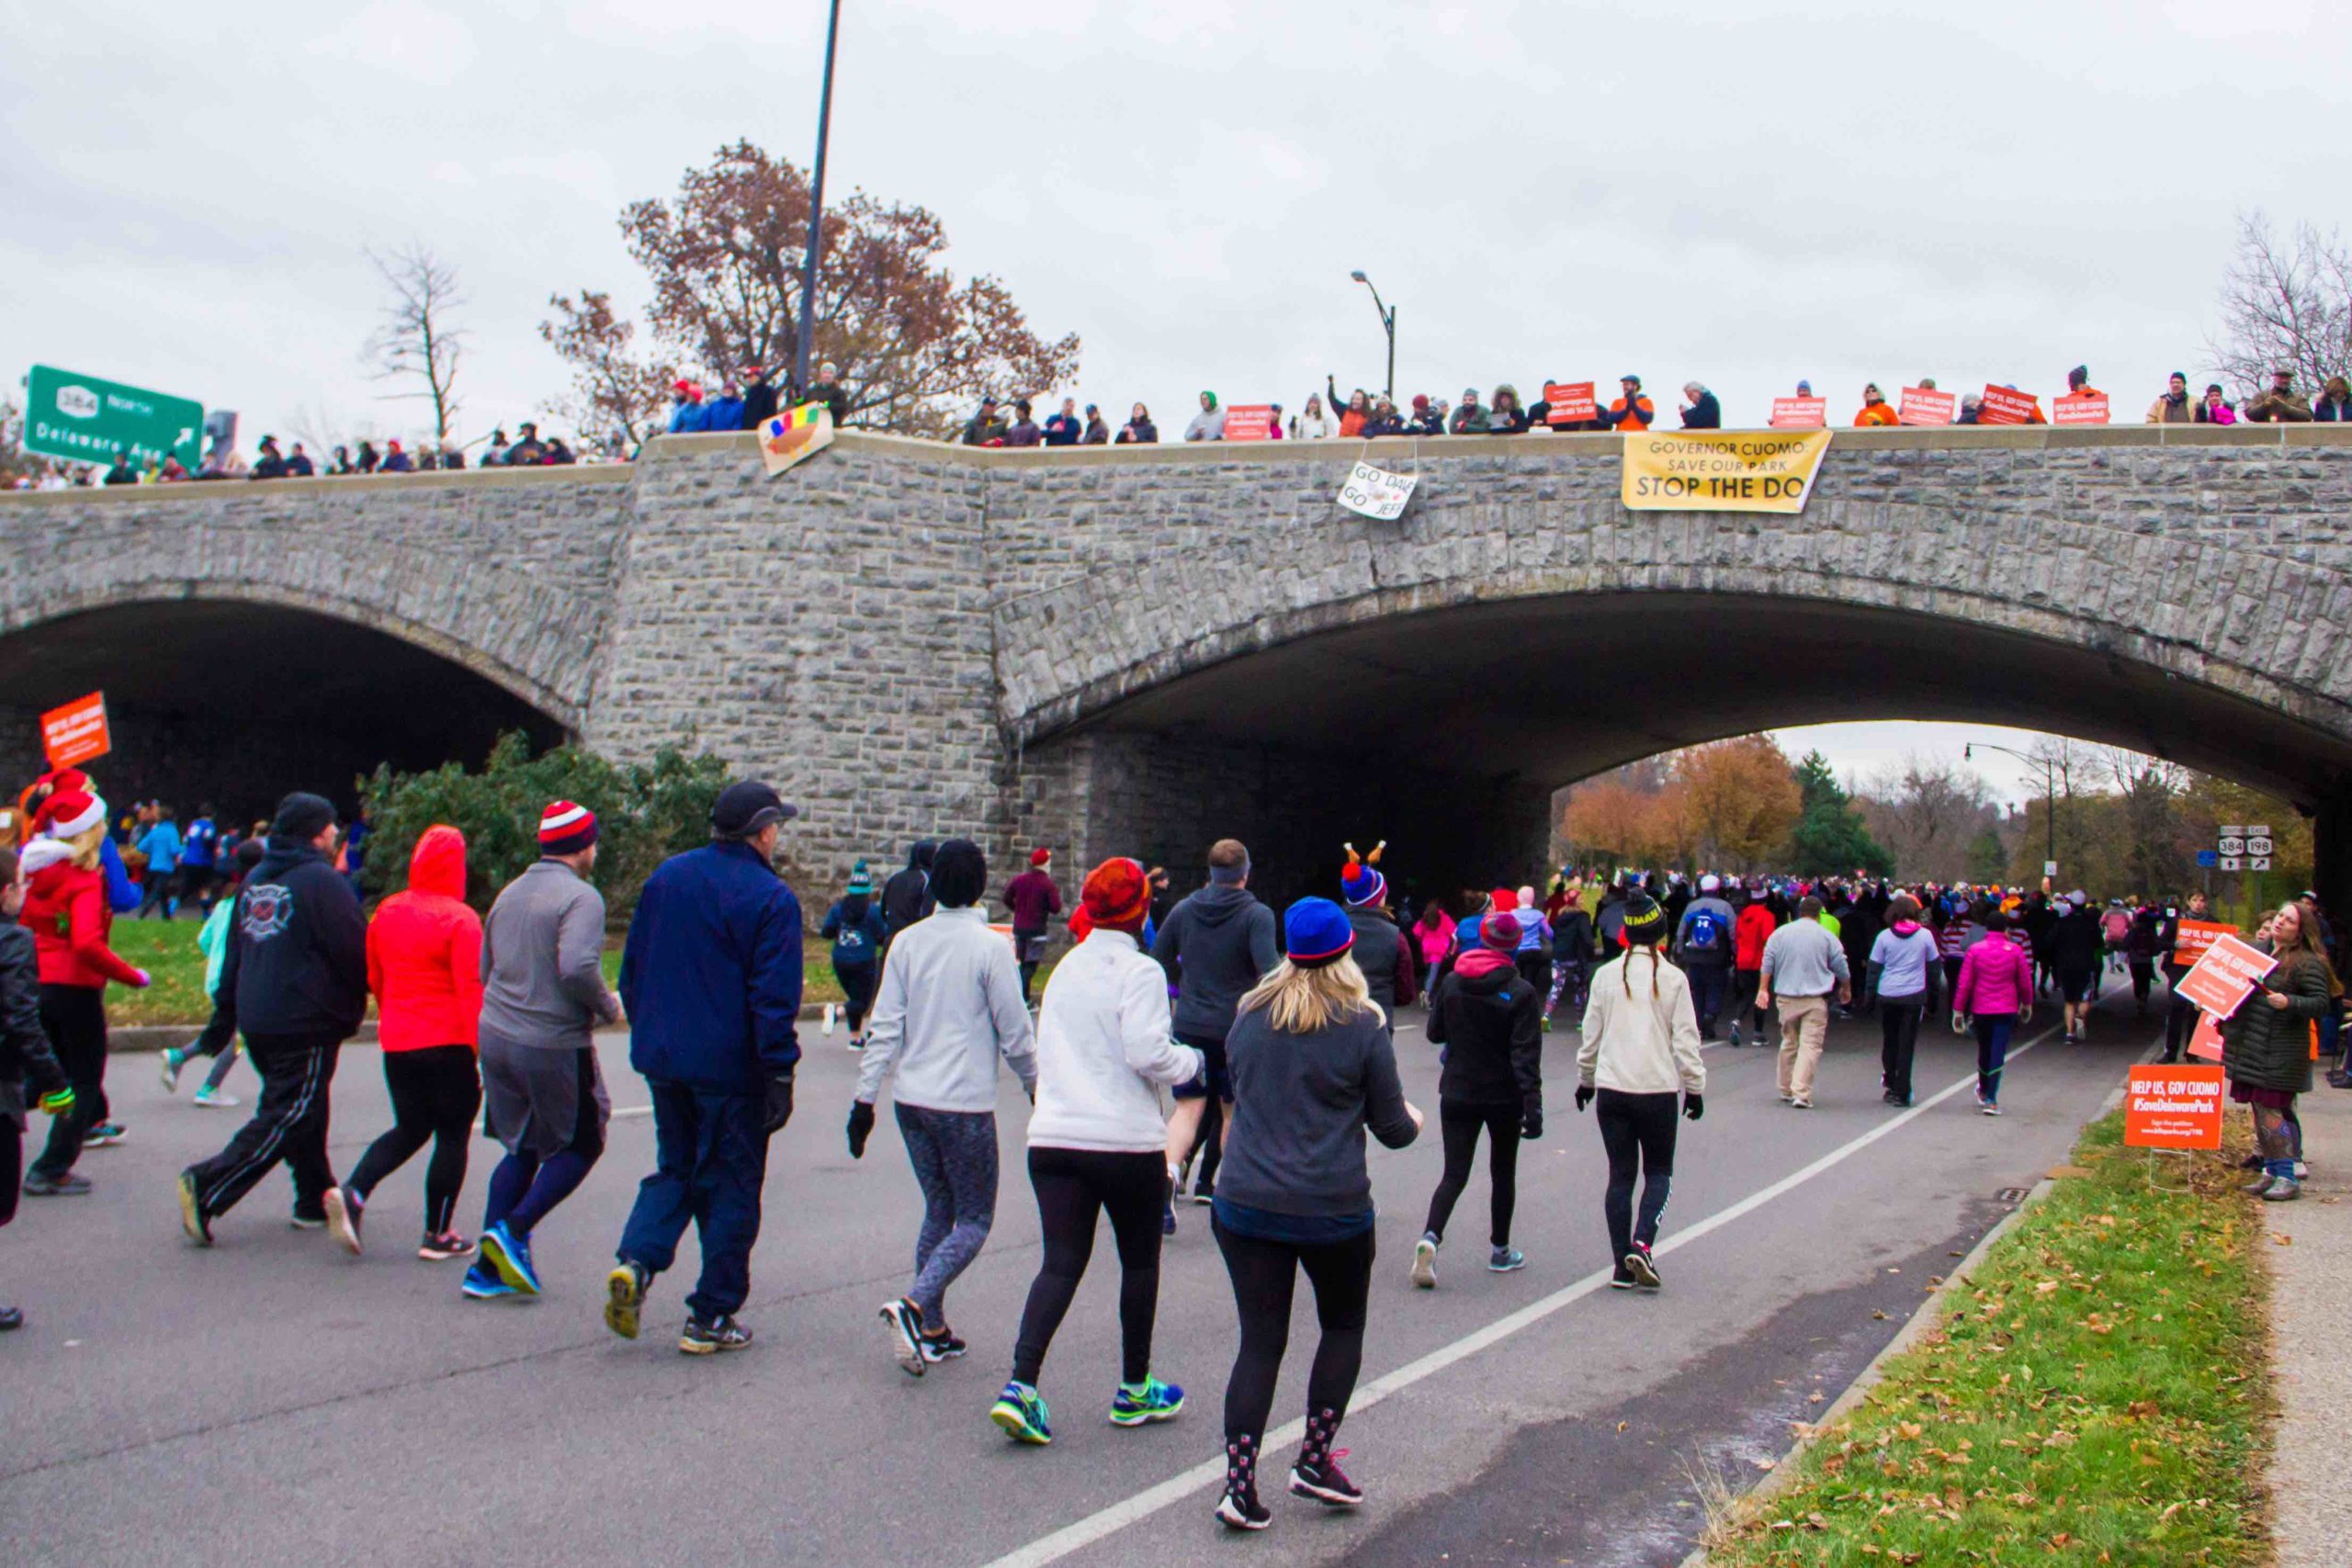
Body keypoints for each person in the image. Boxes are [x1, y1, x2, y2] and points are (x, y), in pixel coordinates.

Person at [1209, 897, 1421, 1530]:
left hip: (1245, 1199)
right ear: (1346, 950)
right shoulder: (1362, 1025)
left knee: (1260, 1341)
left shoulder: (1248, 1016)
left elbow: (1244, 1093)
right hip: (1331, 1205)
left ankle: (1239, 1485)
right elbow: (1392, 1128)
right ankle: (1314, 1456)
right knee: (1342, 1326)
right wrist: (1411, 1117)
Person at [989, 859, 1201, 1446]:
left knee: (1060, 1262)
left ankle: (1022, 1384)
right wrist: (1193, 1063)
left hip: (1055, 1136)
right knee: (1138, 1262)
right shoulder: (1140, 971)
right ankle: (1135, 1387)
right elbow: (1148, 1053)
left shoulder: (1066, 969)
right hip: (1122, 1141)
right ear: (1140, 909)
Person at [606, 782, 802, 1354]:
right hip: (730, 1067)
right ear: (762, 831)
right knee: (733, 1184)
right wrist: (780, 1073)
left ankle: (637, 1262)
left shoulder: (668, 877)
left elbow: (633, 968)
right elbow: (772, 999)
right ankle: (711, 1312)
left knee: (676, 1168)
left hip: (666, 1058)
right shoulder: (771, 898)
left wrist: (649, 1030)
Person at [849, 839, 1036, 1374]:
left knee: (940, 1209)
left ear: (930, 886)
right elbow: (1016, 1032)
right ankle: (913, 1304)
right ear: (980, 887)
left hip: (912, 1101)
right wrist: (1035, 1086)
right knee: (975, 1219)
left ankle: (931, 1327)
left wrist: (864, 1101)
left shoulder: (907, 943)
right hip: (963, 1107)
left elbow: (883, 1026)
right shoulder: (990, 948)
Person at [176, 793, 365, 1241]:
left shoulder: (256, 877)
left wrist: (225, 1016)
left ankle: (314, 1197)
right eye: (330, 826)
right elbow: (355, 950)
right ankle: (208, 1185)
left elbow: (234, 954)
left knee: (304, 1107)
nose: (336, 833)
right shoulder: (322, 882)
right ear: (318, 833)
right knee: (290, 1112)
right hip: (305, 1018)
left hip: (258, 1015)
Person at [463, 803, 622, 1300]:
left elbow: (484, 968)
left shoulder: (509, 893)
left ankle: (485, 1272)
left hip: (496, 1032)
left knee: (524, 1144)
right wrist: (608, 1006)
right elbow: (576, 966)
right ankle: (512, 1231)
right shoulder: (581, 898)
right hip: (550, 1040)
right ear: (583, 846)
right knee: (582, 1143)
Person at [327, 825, 482, 1261]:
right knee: (452, 1134)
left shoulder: (387, 911)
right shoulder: (460, 918)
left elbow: (374, 975)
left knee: (410, 1127)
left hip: (398, 1040)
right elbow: (470, 987)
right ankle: (438, 1232)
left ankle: (356, 1190)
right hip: (449, 1041)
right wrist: (480, 1048)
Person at [17, 790, 149, 1197]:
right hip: (75, 988)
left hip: (34, 981)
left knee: (41, 1076)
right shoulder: (83, 879)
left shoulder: (32, 873)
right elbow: (86, 943)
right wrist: (133, 976)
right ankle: (51, 1167)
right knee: (84, 1080)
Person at [1576, 895, 1703, 1290]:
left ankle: (1619, 1265)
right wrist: (1695, 1088)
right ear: (1662, 934)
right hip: (1656, 1090)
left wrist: (1586, 1079)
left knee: (1620, 1176)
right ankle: (1643, 1243)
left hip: (1613, 1089)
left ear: (1626, 933)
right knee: (1659, 1171)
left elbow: (1591, 1035)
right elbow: (1686, 1040)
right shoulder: (1673, 979)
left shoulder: (1606, 976)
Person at [1411, 908, 1541, 1288]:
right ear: (1515, 946)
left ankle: (1430, 1236)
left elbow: (1435, 1034)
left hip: (1457, 1089)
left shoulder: (1452, 982)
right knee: (1503, 1172)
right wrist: (1533, 1105)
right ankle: (1500, 1250)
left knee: (1454, 1173)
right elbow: (1525, 1055)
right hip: (1503, 1095)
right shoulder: (1520, 992)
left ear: (1483, 941)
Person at [1153, 840, 1279, 1217]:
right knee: (1230, 1110)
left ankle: (1169, 1175)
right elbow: (1270, 973)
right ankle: (1224, 1187)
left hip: (1189, 1023)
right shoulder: (1257, 915)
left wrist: (1185, 980)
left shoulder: (1184, 910)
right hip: (1234, 1028)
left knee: (1187, 1107)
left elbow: (1158, 958)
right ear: (1245, 872)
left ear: (1210, 873)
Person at [1, 846, 75, 1329]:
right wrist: (56, 1084)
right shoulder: (13, 941)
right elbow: (22, 1019)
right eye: (22, 885)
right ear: (7, 891)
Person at [2225, 902, 2337, 1200]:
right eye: (2279, 916)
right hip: (2252, 1046)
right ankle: (2271, 1172)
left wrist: (2290, 1002)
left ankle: (2287, 1176)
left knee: (2273, 1113)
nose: (2280, 922)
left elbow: (2321, 1003)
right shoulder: (2256, 952)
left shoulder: (2306, 962)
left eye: (2289, 920)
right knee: (2260, 1112)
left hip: (2282, 1050)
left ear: (2299, 932)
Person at [162, 838, 264, 1106]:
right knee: (238, 1038)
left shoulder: (225, 903)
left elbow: (204, 940)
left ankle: (182, 1060)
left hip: (217, 975)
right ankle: (206, 1085)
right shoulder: (254, 904)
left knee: (231, 1033)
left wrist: (218, 957)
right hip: (238, 978)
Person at [1756, 897, 1850, 1111]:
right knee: (1810, 1045)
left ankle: (1785, 1087)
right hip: (1815, 998)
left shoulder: (1780, 933)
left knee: (1789, 1041)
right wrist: (1846, 987)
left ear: (1799, 912)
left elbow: (1768, 960)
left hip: (1786, 996)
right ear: (1819, 914)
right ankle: (1801, 1092)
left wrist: (1763, 988)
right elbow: (1840, 964)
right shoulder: (1826, 936)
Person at [1952, 909, 2033, 1116]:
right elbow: (2025, 981)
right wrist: (2027, 1004)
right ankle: (1991, 1099)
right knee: (1998, 1050)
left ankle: (1983, 1087)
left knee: (1984, 1049)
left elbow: (1965, 983)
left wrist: (1958, 1010)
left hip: (1981, 1008)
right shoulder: (2015, 950)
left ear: (1986, 928)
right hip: (2007, 1008)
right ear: (2006, 928)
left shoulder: (1974, 950)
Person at [1868, 895, 1939, 1107]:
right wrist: (1933, 998)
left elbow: (1874, 969)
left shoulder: (1884, 937)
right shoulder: (1925, 936)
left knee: (1890, 1040)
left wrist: (1869, 998)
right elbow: (1934, 969)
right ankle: (1902, 1090)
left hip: (1888, 993)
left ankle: (1890, 1080)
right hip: (1913, 995)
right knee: (1906, 1044)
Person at [820, 862, 889, 1047]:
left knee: (854, 999)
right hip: (864, 960)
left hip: (840, 959)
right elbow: (883, 936)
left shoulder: (838, 909)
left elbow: (826, 932)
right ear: (867, 889)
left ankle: (855, 1039)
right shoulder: (873, 911)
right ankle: (837, 1013)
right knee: (862, 1001)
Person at [1672, 874, 1737, 1041]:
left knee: (1696, 990)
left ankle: (1699, 1024)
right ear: (1718, 888)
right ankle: (1711, 1013)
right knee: (1715, 988)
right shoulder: (1725, 907)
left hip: (1694, 957)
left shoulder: (1692, 907)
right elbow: (1733, 934)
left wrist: (1680, 952)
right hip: (1718, 957)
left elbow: (1681, 932)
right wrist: (1735, 953)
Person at [1002, 847, 1065, 1007]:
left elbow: (1006, 897)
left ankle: (1025, 998)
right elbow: (1056, 907)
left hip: (1019, 929)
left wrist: (1017, 909)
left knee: (1023, 963)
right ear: (1045, 864)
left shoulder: (1020, 880)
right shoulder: (1047, 884)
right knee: (1031, 966)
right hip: (1036, 930)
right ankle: (1019, 997)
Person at [2158, 890, 2212, 1064]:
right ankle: (2170, 1051)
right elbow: (2160, 943)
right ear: (2188, 902)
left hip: (2200, 969)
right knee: (2176, 1006)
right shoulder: (2177, 922)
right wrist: (2175, 944)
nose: (2198, 904)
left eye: (2201, 900)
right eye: (2194, 900)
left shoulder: (2212, 923)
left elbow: (2223, 943)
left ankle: (2192, 1053)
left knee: (2195, 1010)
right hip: (2178, 968)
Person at [2047, 891, 2103, 1043]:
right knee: (2085, 998)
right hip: (2086, 964)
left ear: (2070, 905)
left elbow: (2051, 942)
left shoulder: (2062, 923)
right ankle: (2080, 1016)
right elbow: (2099, 943)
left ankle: (2069, 1034)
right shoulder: (2091, 924)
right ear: (2084, 905)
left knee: (2069, 1001)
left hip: (2066, 965)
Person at [1727, 884, 1777, 1046]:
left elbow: (1737, 936)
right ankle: (1758, 1032)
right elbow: (1767, 939)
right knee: (1761, 995)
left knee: (1746, 994)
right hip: (1760, 961)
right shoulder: (1767, 916)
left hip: (1743, 960)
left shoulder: (1742, 916)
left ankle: (1737, 1020)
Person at [1545, 887, 1596, 1025]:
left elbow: (1554, 935)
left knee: (1556, 986)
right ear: (1575, 902)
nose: (1583, 900)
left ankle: (1546, 1015)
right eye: (1580, 898)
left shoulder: (1560, 917)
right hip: (1577, 957)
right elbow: (1587, 938)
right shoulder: (1582, 917)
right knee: (1580, 987)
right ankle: (1581, 1019)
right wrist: (1590, 952)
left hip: (1559, 956)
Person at [879, 840, 937, 957]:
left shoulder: (895, 878)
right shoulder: (928, 880)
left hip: (892, 939)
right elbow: (928, 912)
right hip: (914, 942)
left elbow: (883, 910)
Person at [135, 804, 183, 919]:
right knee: (157, 892)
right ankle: (143, 913)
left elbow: (141, 846)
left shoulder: (156, 830)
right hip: (166, 866)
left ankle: (166, 916)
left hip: (153, 865)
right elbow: (175, 849)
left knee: (163, 892)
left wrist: (153, 850)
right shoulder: (172, 831)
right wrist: (184, 848)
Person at [180, 804, 219, 914]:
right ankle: (206, 914)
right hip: (204, 861)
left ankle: (173, 905)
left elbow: (186, 840)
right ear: (213, 814)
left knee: (186, 886)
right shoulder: (210, 826)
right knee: (205, 887)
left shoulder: (193, 825)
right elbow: (209, 839)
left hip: (188, 859)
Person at [2245, 367, 2313, 423]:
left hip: (2291, 435)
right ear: (2275, 379)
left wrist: (2285, 407)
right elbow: (2249, 414)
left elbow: (2308, 416)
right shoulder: (2262, 396)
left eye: (2287, 378)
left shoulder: (2298, 398)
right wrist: (2266, 405)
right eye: (2281, 378)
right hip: (2265, 435)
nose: (2284, 381)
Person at [741, 365, 780, 430]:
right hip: (749, 431)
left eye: (751, 376)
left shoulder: (768, 392)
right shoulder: (749, 393)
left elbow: (771, 413)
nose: (749, 379)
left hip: (764, 430)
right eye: (747, 377)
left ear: (758, 376)